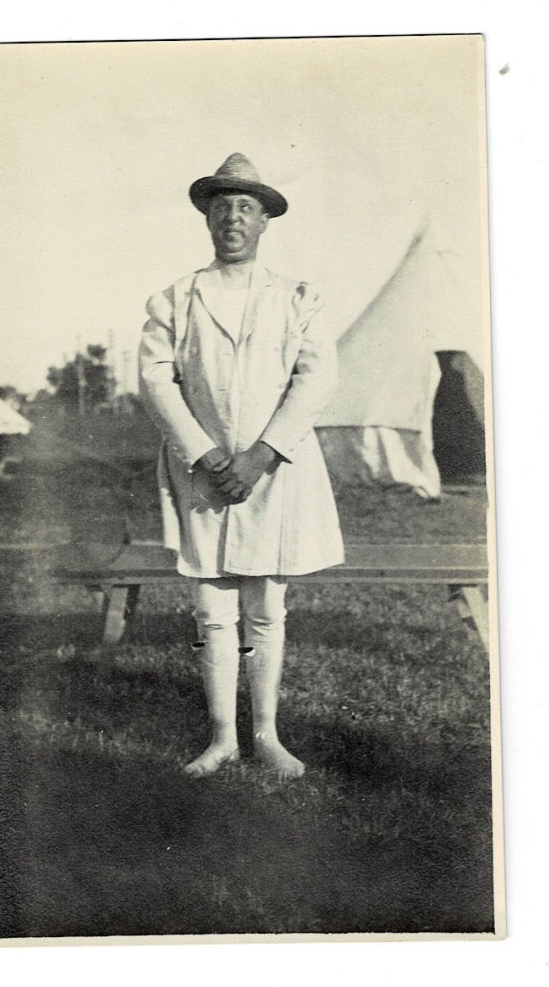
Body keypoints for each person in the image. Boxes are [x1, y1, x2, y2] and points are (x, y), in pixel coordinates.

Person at [139, 153, 344, 778]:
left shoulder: (298, 298)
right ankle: (223, 738)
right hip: (201, 474)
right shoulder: (176, 299)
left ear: (264, 221)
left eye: (246, 207)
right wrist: (204, 453)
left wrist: (260, 454)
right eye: (222, 206)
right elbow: (156, 381)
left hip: (275, 470)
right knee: (212, 610)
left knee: (266, 608)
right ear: (207, 218)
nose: (233, 218)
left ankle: (267, 736)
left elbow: (316, 378)